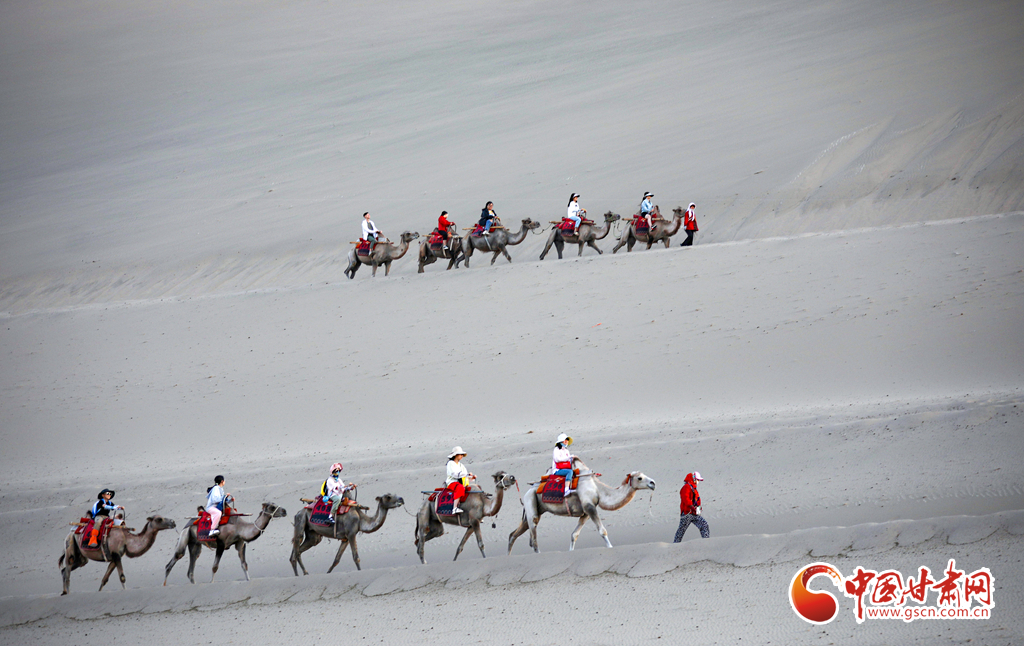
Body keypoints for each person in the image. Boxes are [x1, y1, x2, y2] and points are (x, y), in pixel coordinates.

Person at [673, 471, 709, 541]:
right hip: (687, 513)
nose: (698, 481)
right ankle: (675, 545)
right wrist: (691, 506)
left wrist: (698, 508)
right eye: (698, 479)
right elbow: (685, 498)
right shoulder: (686, 487)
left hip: (694, 513)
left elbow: (696, 500)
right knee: (681, 531)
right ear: (694, 479)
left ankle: (706, 542)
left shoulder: (693, 488)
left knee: (704, 525)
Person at [445, 446, 476, 514]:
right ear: (456, 455)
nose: (462, 456)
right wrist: (466, 474)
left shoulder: (461, 465)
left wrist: (471, 477)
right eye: (460, 454)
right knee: (460, 487)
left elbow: (464, 476)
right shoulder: (450, 463)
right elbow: (454, 474)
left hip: (461, 483)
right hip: (452, 483)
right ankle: (455, 508)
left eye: (462, 454)